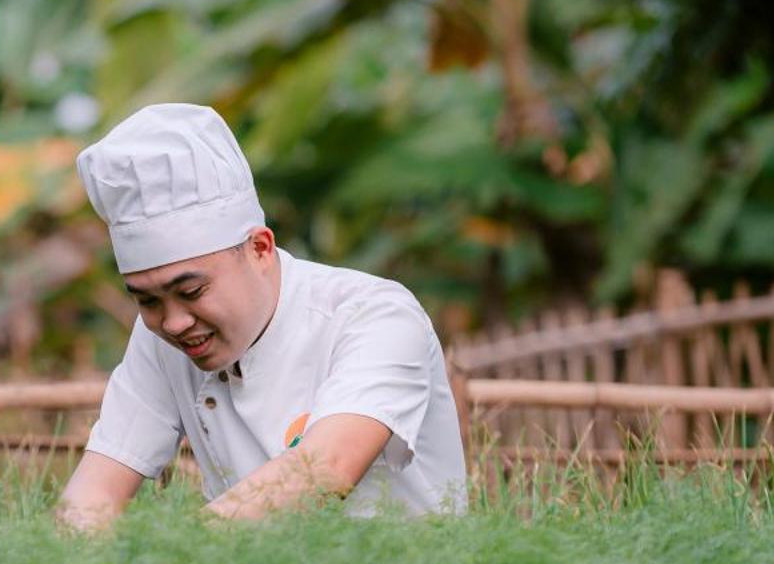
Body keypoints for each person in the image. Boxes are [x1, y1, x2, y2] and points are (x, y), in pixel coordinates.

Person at [57, 102, 467, 530]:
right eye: (148, 301)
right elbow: (95, 491)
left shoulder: (374, 316)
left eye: (191, 291)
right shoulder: (158, 341)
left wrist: (167, 556)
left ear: (260, 249)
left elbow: (325, 467)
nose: (174, 322)